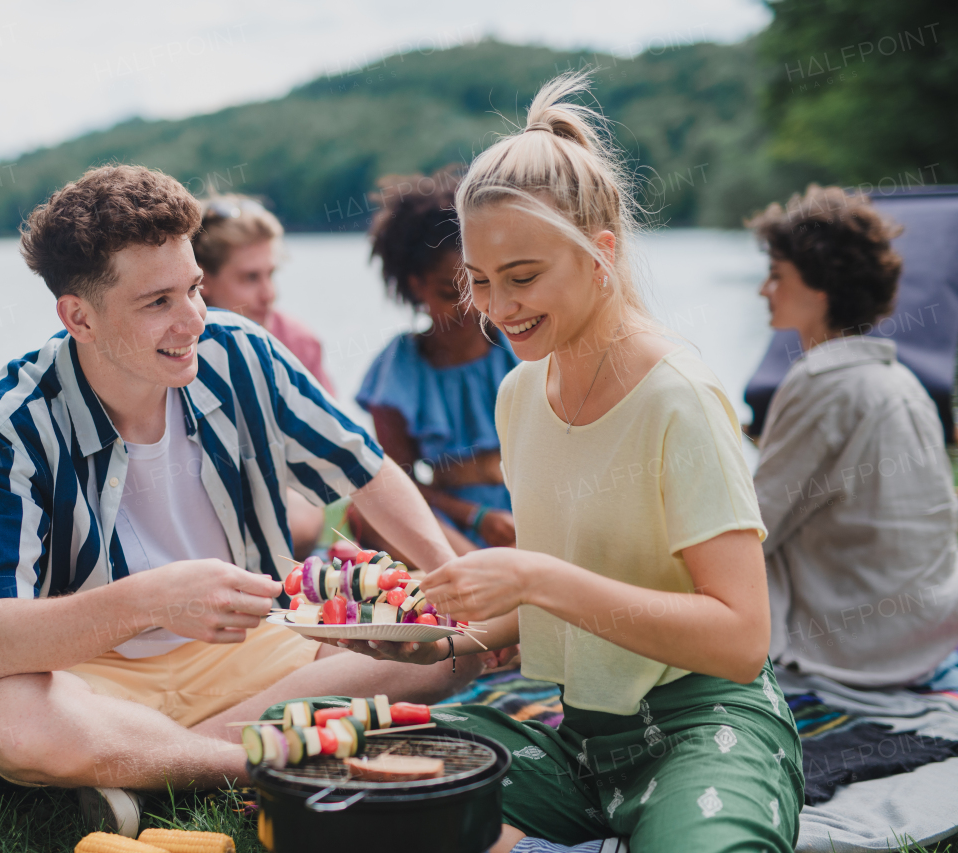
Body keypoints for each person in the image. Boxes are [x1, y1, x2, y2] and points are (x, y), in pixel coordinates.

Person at [330, 73, 803, 852]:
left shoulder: (675, 397)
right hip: (580, 741)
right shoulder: (520, 395)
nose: (499, 307)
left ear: (599, 255)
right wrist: (424, 628)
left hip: (707, 724)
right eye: (479, 283)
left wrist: (534, 575)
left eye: (523, 278)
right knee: (327, 752)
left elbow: (741, 636)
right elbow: (558, 596)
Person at [0, 165, 478, 833]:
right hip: (90, 674)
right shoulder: (11, 424)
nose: (194, 318)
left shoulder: (243, 352)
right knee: (13, 717)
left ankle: (149, 762)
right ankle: (253, 756)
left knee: (452, 649)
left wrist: (444, 586)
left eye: (194, 286)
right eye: (157, 301)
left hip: (254, 649)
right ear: (79, 315)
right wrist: (154, 600)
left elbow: (366, 469)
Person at [748, 185, 958, 688]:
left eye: (777, 276)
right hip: (927, 630)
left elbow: (755, 526)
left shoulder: (823, 380)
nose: (764, 290)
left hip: (860, 650)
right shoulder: (898, 376)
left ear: (820, 287)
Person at [353, 165, 520, 554]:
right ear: (417, 286)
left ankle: (488, 581)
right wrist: (475, 516)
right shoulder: (397, 372)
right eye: (449, 292)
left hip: (534, 509)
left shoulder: (520, 345)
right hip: (453, 524)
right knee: (370, 515)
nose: (470, 309)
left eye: (477, 287)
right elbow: (397, 483)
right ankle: (474, 575)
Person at [192, 193, 333, 558]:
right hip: (192, 495)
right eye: (250, 278)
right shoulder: (172, 347)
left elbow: (331, 457)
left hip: (284, 496)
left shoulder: (297, 342)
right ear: (201, 280)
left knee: (298, 518)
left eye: (271, 274)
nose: (269, 294)